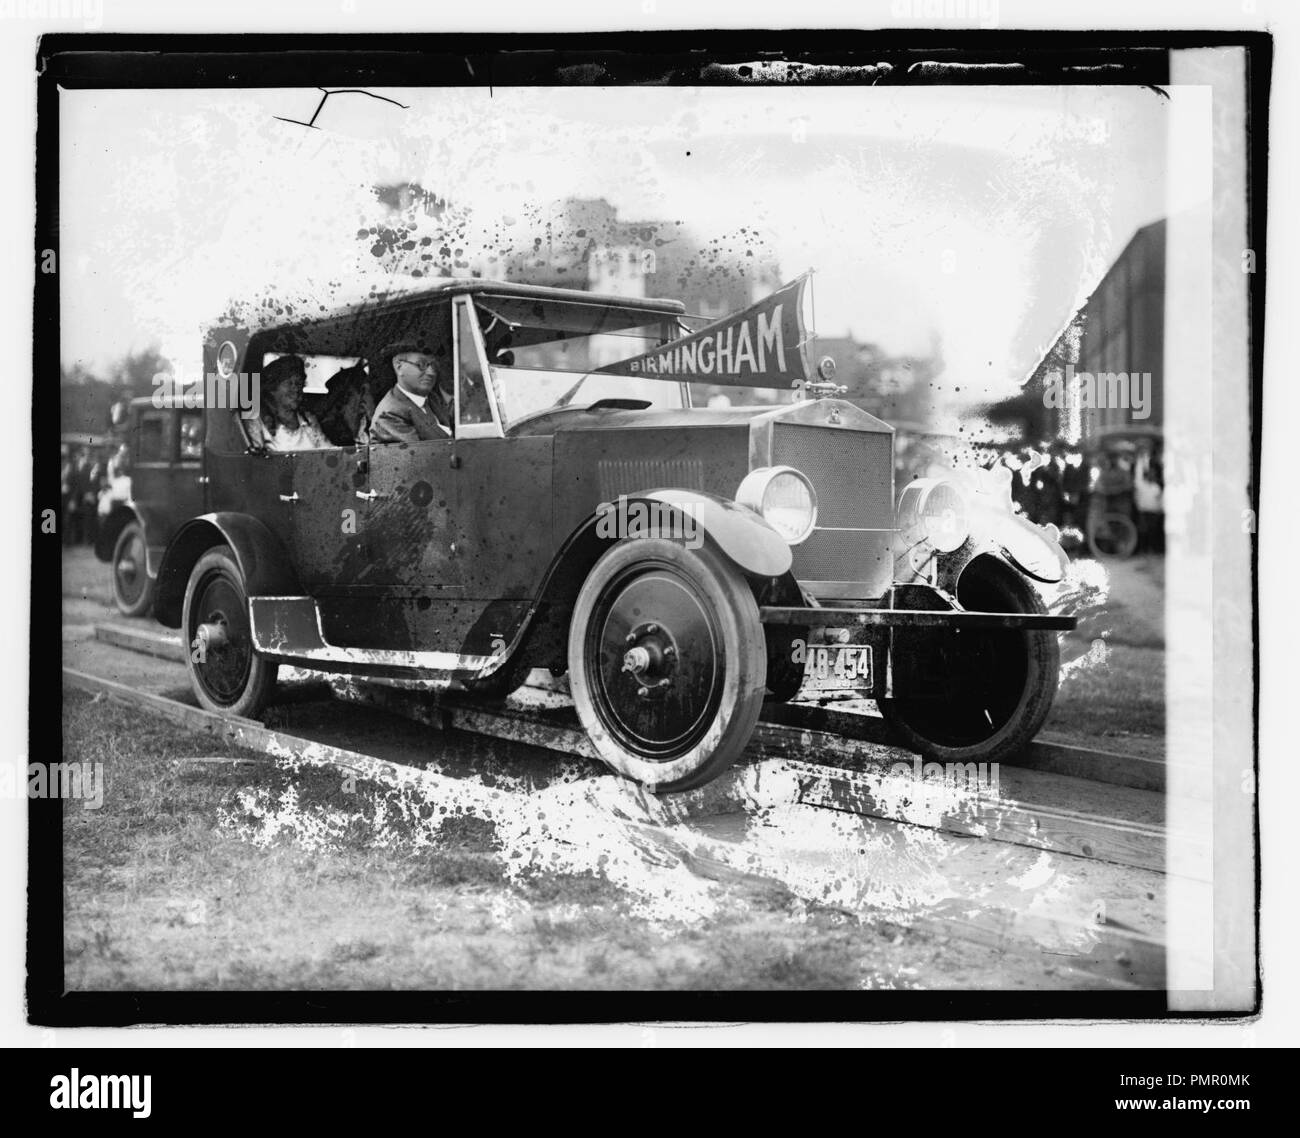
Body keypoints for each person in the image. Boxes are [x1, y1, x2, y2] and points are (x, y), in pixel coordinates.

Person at [371, 342, 454, 443]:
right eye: (421, 365)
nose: (431, 372)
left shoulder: (433, 399)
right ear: (399, 367)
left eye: (434, 365)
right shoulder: (389, 415)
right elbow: (423, 456)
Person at [246, 354, 329, 452]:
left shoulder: (308, 420)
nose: (296, 389)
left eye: (299, 383)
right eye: (289, 383)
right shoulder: (256, 421)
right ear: (272, 389)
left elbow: (328, 451)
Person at [315, 361, 375, 446]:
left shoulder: (367, 424)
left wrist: (373, 418)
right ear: (346, 396)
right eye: (363, 391)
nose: (369, 396)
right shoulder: (329, 429)